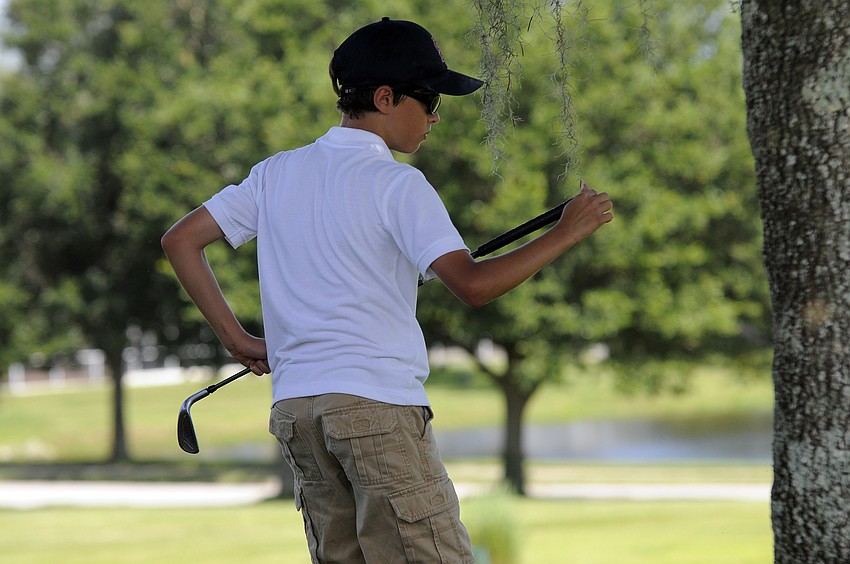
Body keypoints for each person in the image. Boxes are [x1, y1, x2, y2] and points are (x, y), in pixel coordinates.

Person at [162, 17, 613, 564]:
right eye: (427, 100)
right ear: (385, 97)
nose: (435, 116)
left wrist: (236, 339)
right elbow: (472, 285)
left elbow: (182, 240)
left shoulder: (275, 173)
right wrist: (567, 232)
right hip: (375, 408)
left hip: (297, 412)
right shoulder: (399, 184)